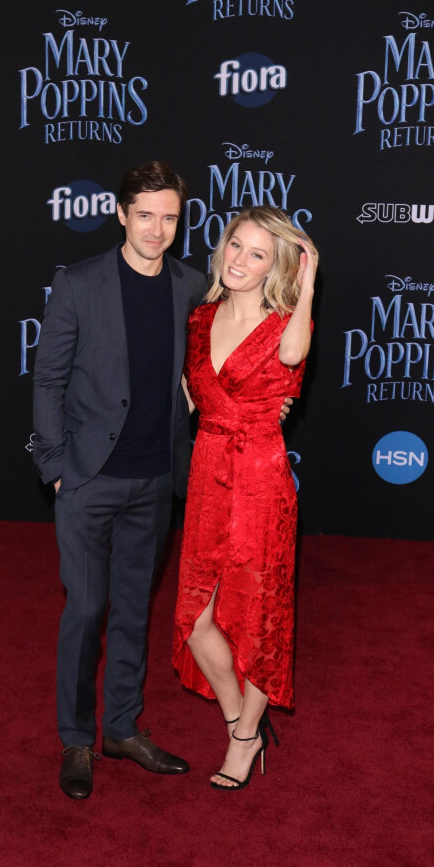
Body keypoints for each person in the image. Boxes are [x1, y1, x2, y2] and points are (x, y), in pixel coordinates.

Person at [32, 161, 207, 799]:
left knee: (135, 610)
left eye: (169, 217)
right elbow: (47, 381)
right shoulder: (77, 285)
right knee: (85, 609)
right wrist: (53, 466)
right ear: (121, 214)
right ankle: (77, 738)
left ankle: (123, 729)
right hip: (86, 480)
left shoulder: (191, 287)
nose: (157, 230)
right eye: (145, 215)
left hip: (155, 479)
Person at [172, 205, 318, 791]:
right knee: (194, 618)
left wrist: (307, 283)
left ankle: (241, 741)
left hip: (260, 480)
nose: (240, 260)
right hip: (208, 473)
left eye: (258, 254)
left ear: (273, 267)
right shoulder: (200, 318)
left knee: (258, 620)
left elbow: (291, 358)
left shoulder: (287, 323)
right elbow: (185, 398)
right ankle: (242, 722)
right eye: (236, 245)